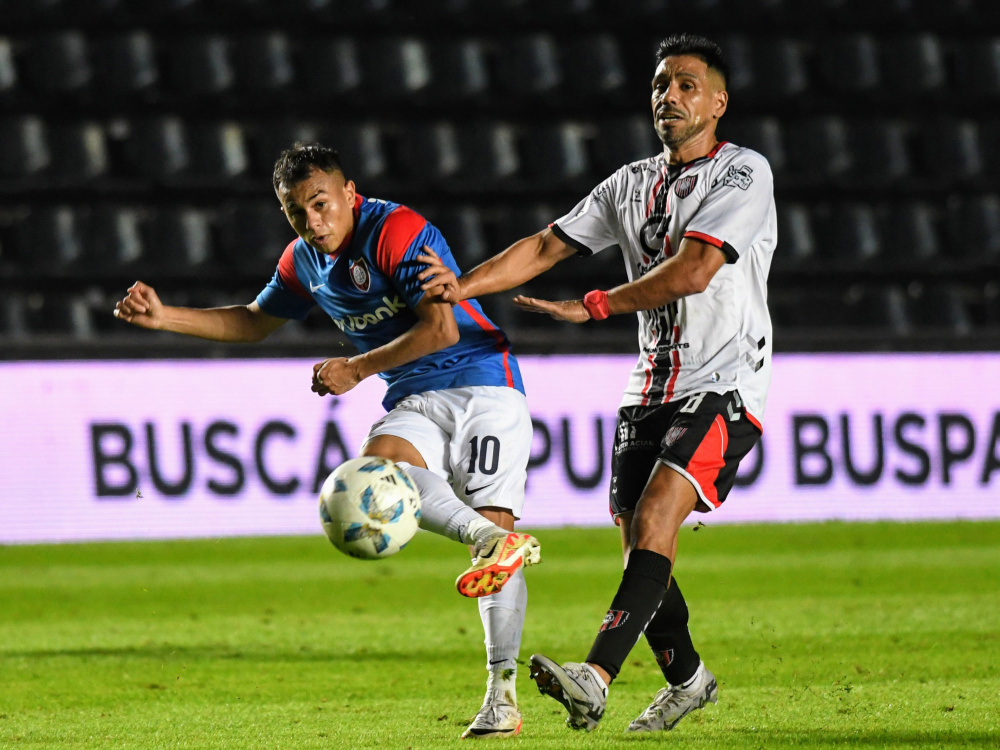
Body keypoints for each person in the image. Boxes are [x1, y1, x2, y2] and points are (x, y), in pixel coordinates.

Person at [114, 143, 540, 739]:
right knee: (373, 474)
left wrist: (358, 368)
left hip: (484, 385)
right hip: (413, 397)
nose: (313, 222)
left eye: (320, 204)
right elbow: (252, 320)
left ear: (348, 193)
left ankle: (501, 694)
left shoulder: (396, 230)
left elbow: (442, 327)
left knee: (492, 543)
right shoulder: (301, 262)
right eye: (296, 213)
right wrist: (167, 318)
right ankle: (491, 538)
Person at [417, 33, 775, 733]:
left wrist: (597, 304)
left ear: (719, 102)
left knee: (656, 516)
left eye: (686, 85)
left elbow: (696, 269)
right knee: (641, 542)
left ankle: (595, 676)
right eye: (660, 85)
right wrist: (464, 286)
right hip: (648, 386)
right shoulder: (630, 182)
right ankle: (689, 677)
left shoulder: (743, 175)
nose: (668, 96)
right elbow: (548, 245)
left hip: (726, 382)